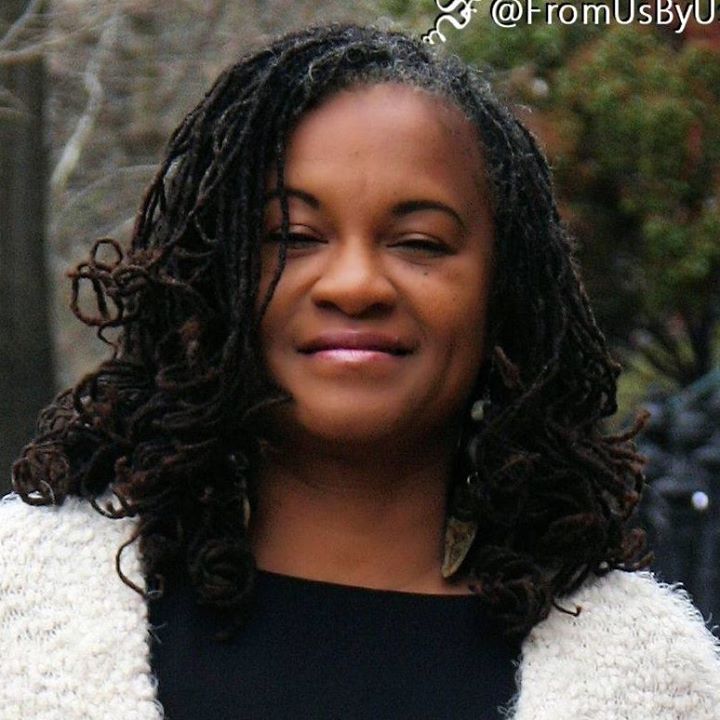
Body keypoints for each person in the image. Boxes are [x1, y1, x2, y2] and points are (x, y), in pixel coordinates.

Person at [1, 22, 719, 720]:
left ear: (507, 294)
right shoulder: (22, 609)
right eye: (294, 236)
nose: (355, 284)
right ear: (209, 278)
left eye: (419, 242)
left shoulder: (658, 685)